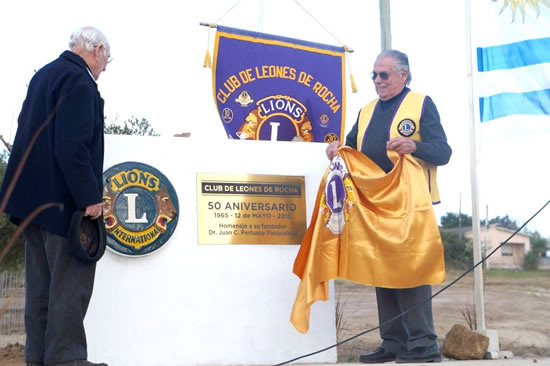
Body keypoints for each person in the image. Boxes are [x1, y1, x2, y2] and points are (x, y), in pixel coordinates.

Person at [326, 49, 451, 363]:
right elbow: (351, 149)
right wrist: (336, 149)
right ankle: (393, 342)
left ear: (403, 74)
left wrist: (414, 146)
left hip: (411, 205)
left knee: (413, 270)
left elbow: (443, 151)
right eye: (374, 75)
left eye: (383, 74)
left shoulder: (421, 103)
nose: (377, 81)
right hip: (375, 205)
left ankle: (424, 344)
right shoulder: (367, 110)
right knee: (383, 271)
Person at [0, 27, 111, 366]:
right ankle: (66, 360)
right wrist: (89, 196)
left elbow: (26, 128)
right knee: (69, 285)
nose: (106, 66)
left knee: (40, 290)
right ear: (95, 50)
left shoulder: (44, 77)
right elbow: (70, 147)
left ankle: (39, 359)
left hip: (32, 206)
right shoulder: (79, 82)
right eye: (108, 58)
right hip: (64, 205)